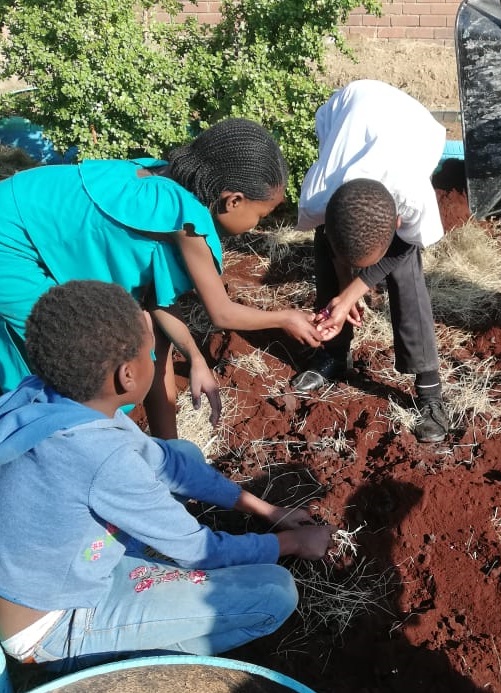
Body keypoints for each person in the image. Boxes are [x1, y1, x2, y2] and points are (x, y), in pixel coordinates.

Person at [0, 281, 335, 673]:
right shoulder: (101, 457)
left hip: (46, 573)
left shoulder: (52, 398)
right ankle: (117, 665)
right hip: (54, 622)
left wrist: (267, 510)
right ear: (128, 376)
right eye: (150, 353)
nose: (155, 360)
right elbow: (199, 551)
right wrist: (293, 542)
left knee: (182, 453)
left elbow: (170, 464)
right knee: (273, 593)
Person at [0, 117, 323, 439]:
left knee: (136, 344)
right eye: (260, 216)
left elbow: (157, 308)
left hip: (19, 207)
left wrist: (196, 358)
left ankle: (164, 453)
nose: (255, 226)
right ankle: (58, 445)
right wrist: (285, 318)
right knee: (91, 365)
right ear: (233, 200)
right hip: (9, 246)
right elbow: (221, 313)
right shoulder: (187, 222)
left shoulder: (166, 177)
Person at [291, 80, 449, 444]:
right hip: (346, 110)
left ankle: (430, 390)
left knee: (406, 274)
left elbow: (405, 248)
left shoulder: (413, 198)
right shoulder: (318, 198)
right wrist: (345, 294)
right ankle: (333, 353)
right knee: (327, 255)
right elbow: (334, 242)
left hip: (410, 124)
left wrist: (356, 289)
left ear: (397, 222)